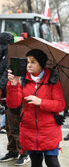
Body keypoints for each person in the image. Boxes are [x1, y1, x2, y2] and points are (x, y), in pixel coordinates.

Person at [6, 49, 66, 167]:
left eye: (33, 62)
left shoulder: (52, 79)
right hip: (29, 131)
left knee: (52, 162)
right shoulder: (22, 79)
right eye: (27, 61)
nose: (29, 65)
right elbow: (13, 104)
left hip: (49, 131)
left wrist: (41, 102)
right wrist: (13, 85)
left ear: (41, 63)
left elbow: (60, 104)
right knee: (36, 163)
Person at [0, 32, 30, 165]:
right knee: (9, 125)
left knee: (17, 125)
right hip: (7, 94)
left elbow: (8, 73)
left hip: (16, 93)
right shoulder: (3, 55)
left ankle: (24, 152)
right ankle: (12, 150)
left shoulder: (14, 55)